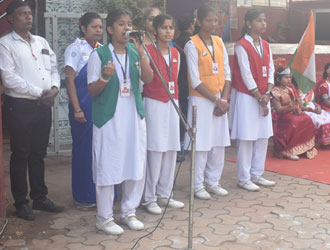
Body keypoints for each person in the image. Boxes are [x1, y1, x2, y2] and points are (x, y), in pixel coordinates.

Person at [87, 9, 153, 235]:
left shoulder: (136, 51)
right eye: (121, 24)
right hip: (109, 118)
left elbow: (149, 78)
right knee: (108, 164)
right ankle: (104, 218)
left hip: (133, 116)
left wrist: (142, 51)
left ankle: (128, 211)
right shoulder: (99, 55)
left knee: (134, 162)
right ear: (109, 29)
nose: (126, 28)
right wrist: (105, 77)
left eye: (129, 24)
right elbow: (92, 90)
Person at [0, 0, 64, 221]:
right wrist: (40, 92)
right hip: (20, 107)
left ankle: (40, 197)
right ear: (10, 19)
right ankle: (21, 203)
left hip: (43, 106)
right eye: (21, 14)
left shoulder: (41, 41)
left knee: (38, 154)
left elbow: (53, 69)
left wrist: (54, 89)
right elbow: (9, 78)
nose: (28, 17)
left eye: (29, 13)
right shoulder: (5, 44)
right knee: (20, 155)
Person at [184, 5, 231, 200]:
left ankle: (213, 181)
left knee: (218, 142)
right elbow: (195, 80)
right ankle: (197, 185)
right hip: (201, 100)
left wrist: (224, 99)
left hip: (220, 99)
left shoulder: (219, 42)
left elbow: (227, 72)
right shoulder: (191, 44)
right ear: (199, 21)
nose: (213, 24)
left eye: (216, 20)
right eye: (209, 20)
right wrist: (216, 100)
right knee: (201, 144)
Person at [229, 9, 275, 192]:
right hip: (248, 96)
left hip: (264, 95)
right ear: (248, 23)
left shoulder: (266, 45)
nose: (263, 23)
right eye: (259, 20)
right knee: (247, 137)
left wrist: (269, 93)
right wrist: (259, 96)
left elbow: (271, 69)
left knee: (262, 136)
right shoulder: (241, 45)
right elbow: (246, 74)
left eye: (264, 20)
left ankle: (257, 173)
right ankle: (244, 177)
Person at [142, 14, 184, 215]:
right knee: (155, 149)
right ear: (155, 30)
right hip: (154, 102)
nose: (168, 31)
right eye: (164, 28)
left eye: (171, 27)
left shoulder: (176, 53)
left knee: (171, 148)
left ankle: (165, 193)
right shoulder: (147, 51)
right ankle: (149, 197)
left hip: (172, 102)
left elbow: (174, 79)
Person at [64, 12, 103, 208]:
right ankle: (84, 196)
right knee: (84, 152)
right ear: (83, 28)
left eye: (100, 27)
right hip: (83, 109)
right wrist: (77, 108)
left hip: (100, 109)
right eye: (94, 27)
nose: (98, 30)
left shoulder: (103, 50)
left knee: (101, 152)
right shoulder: (75, 48)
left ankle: (102, 196)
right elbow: (70, 79)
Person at [271, 67, 317, 160]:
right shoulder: (275, 91)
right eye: (286, 77)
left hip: (291, 113)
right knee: (294, 122)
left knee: (306, 119)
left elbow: (296, 105)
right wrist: (292, 105)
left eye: (290, 77)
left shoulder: (290, 89)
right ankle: (290, 150)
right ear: (278, 79)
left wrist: (298, 108)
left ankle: (303, 149)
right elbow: (279, 110)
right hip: (282, 116)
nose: (289, 80)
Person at [174, 13, 196, 162]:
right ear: (191, 25)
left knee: (179, 113)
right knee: (186, 114)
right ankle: (184, 144)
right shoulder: (191, 42)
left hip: (177, 82)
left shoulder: (174, 42)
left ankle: (180, 145)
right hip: (188, 83)